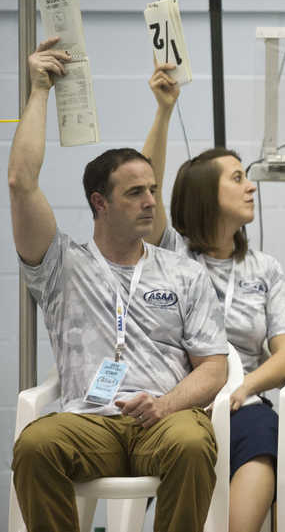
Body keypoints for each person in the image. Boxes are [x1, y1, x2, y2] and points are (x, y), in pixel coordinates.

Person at [9, 38, 228, 532]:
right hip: (89, 422)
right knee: (35, 444)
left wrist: (165, 404)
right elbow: (22, 181)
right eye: (135, 192)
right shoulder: (61, 263)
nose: (151, 200)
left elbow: (214, 368)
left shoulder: (182, 270)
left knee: (194, 443)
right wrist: (40, 88)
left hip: (165, 419)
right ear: (100, 203)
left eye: (152, 189)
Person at [140, 65, 285, 532]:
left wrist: (243, 390)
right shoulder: (168, 253)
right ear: (204, 194)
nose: (251, 185)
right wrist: (164, 112)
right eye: (236, 178)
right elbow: (142, 191)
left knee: (264, 434)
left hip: (242, 403)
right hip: (177, 404)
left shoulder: (264, 268)